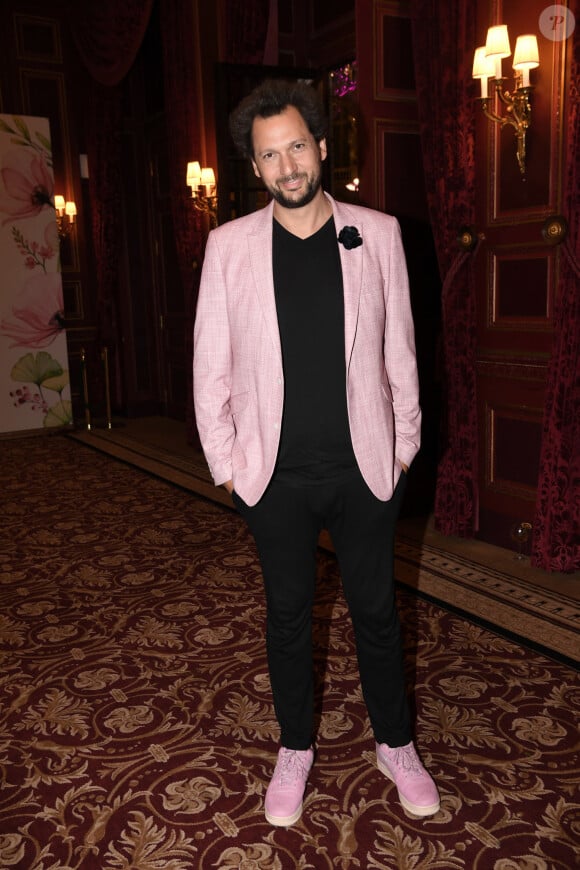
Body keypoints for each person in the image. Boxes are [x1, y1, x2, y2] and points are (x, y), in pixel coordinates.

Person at [193, 78, 439, 827]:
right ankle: (295, 747)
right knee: (288, 616)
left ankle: (395, 744)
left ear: (322, 147)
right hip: (275, 476)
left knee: (376, 614)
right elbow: (211, 373)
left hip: (366, 467)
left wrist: (402, 449)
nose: (288, 164)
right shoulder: (228, 247)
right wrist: (234, 473)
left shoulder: (378, 233)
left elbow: (402, 351)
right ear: (256, 168)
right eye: (271, 155)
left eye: (297, 145)